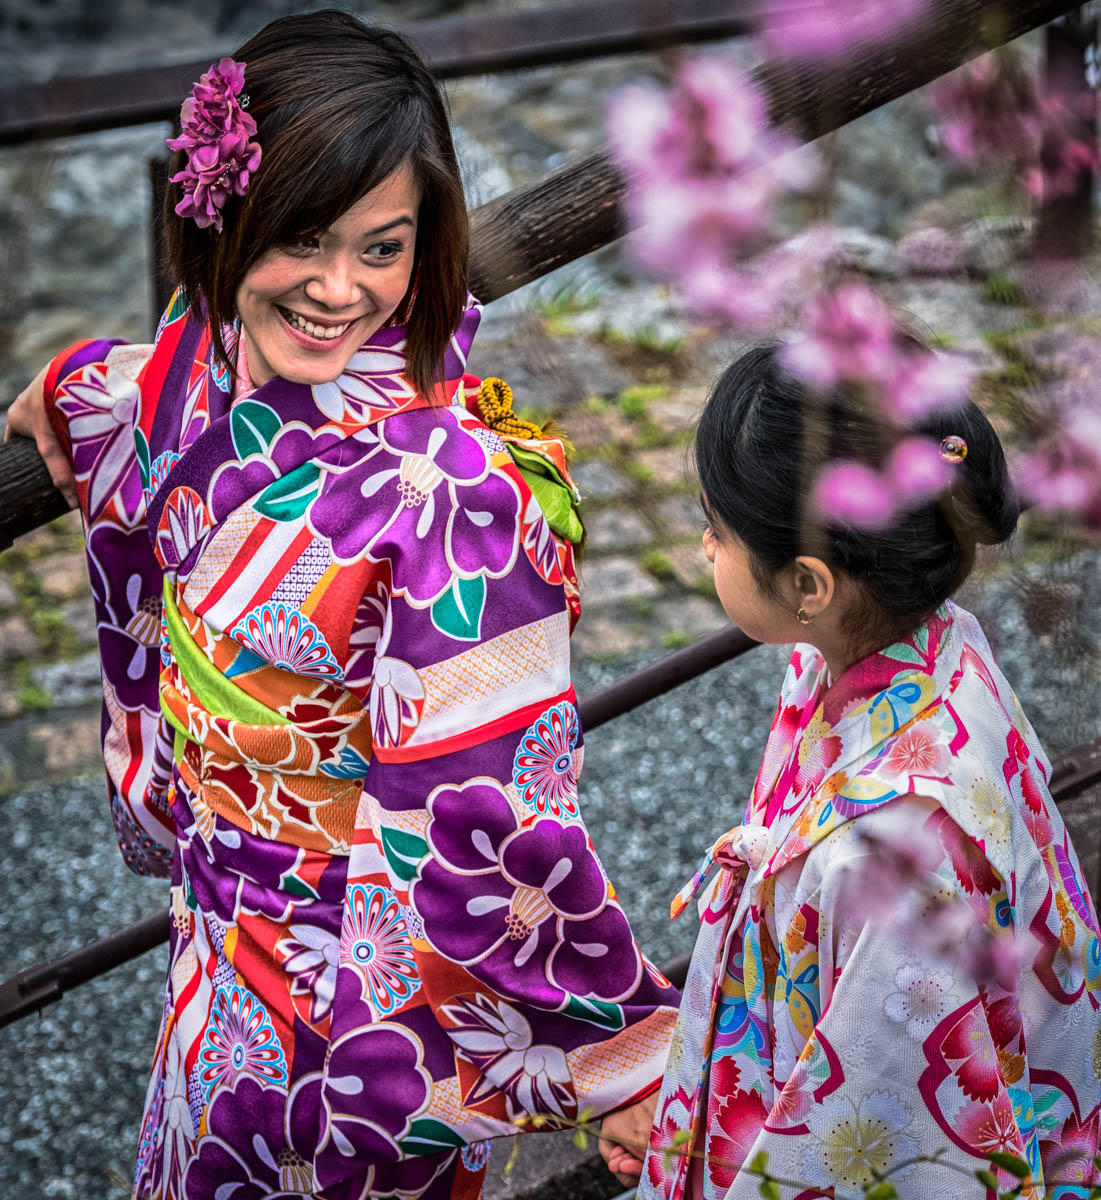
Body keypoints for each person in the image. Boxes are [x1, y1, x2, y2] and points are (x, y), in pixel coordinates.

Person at [4, 11, 677, 1198]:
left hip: (348, 990)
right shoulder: (197, 361)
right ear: (222, 222)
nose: (336, 292)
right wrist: (61, 389)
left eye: (384, 249)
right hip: (217, 942)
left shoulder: (453, 495)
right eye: (302, 241)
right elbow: (137, 385)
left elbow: (496, 824)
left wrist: (626, 1061)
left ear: (431, 241)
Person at [610, 343, 1101, 1197]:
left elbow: (886, 1145)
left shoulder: (895, 855)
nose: (701, 543)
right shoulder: (927, 647)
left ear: (807, 584)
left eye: (715, 529)